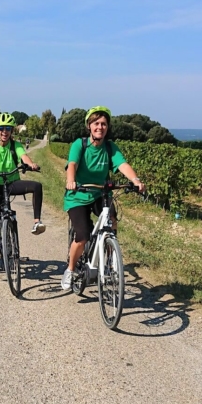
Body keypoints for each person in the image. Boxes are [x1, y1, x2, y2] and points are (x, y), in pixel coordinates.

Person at [61, 106, 146, 290]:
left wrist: (135, 180)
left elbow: (122, 164)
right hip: (78, 195)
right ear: (89, 126)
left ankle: (108, 252)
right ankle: (70, 269)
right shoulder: (80, 144)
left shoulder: (109, 147)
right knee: (82, 236)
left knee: (112, 220)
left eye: (104, 124)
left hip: (101, 194)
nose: (100, 127)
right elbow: (72, 164)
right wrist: (71, 181)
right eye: (96, 123)